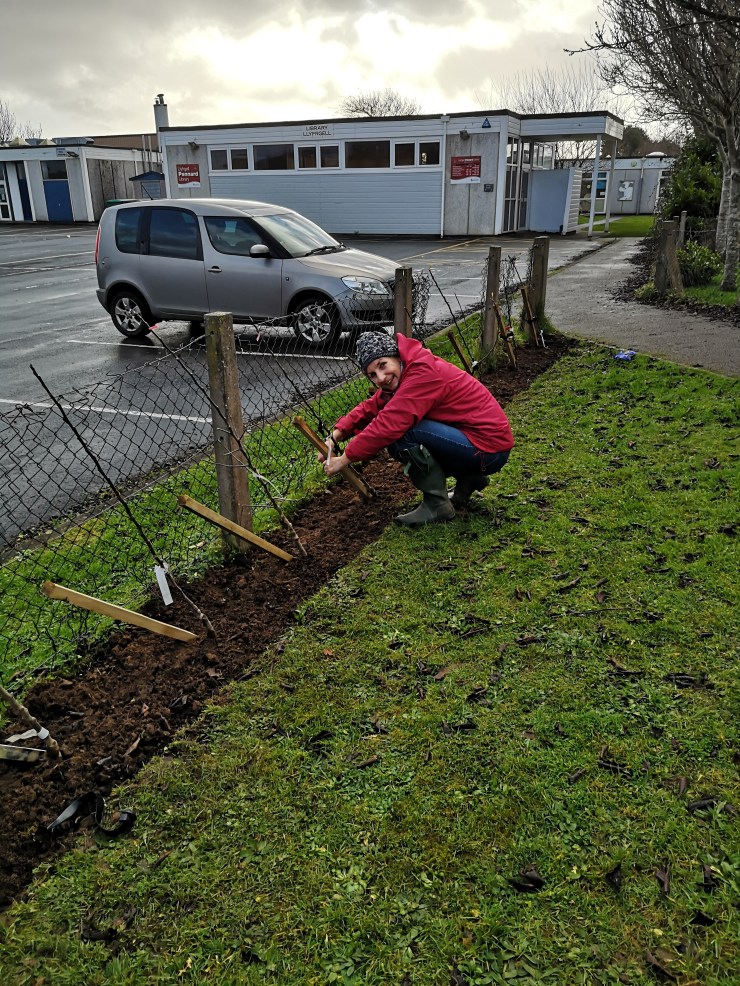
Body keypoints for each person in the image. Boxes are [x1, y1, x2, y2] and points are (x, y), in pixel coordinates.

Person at [319, 331, 513, 526]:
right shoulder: (407, 371)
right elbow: (370, 407)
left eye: (382, 365)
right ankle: (469, 480)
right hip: (481, 443)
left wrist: (344, 459)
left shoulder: (422, 374)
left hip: (488, 449)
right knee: (406, 431)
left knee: (404, 434)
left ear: (396, 356)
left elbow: (389, 423)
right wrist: (334, 437)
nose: (381, 378)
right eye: (372, 375)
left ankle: (437, 505)